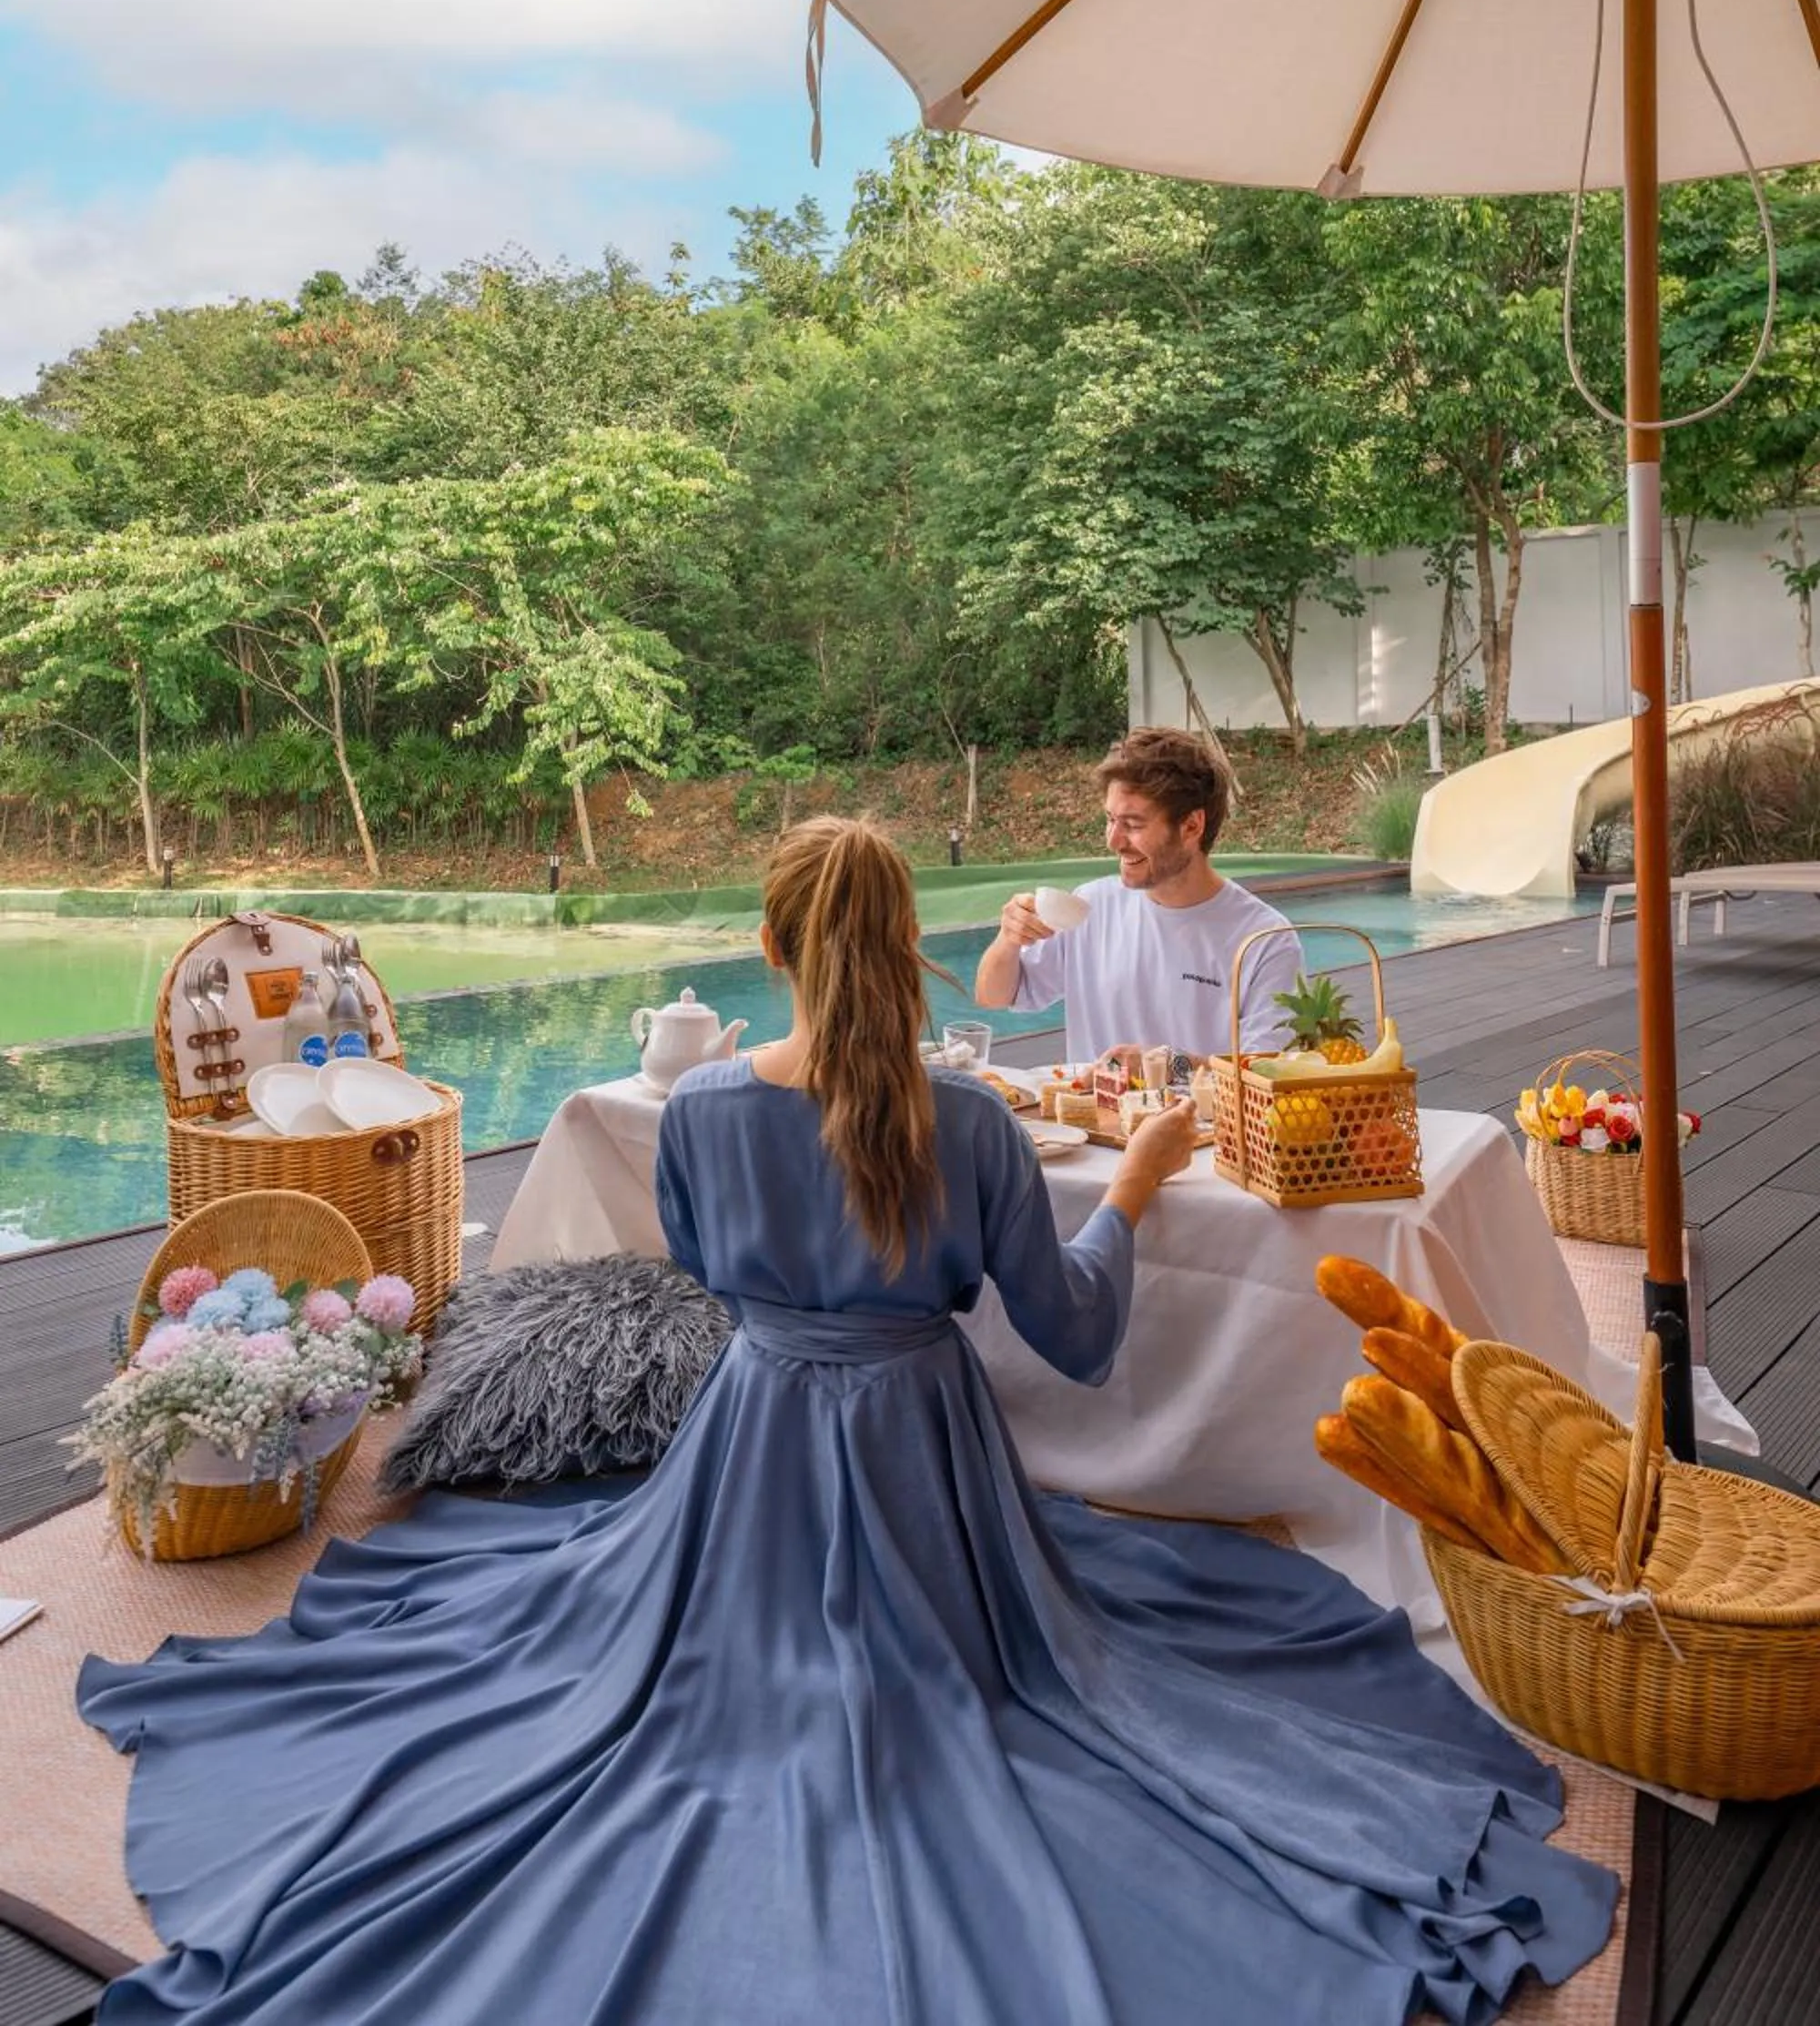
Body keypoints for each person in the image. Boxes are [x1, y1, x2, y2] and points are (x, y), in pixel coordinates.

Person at [78, 817, 1614, 2026]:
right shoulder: (967, 1126)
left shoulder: (699, 1116)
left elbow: (701, 1265)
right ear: (910, 946)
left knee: (584, 1673)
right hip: (924, 1462)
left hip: (746, 1453)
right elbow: (1075, 1342)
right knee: (1099, 1701)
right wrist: (1137, 1187)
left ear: (772, 945)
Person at [976, 724, 1306, 1063]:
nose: (1113, 841)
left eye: (1132, 825)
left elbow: (1267, 1074)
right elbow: (995, 995)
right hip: (1086, 1116)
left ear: (1192, 826)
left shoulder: (1265, 939)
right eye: (1110, 820)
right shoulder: (1091, 906)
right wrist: (1008, 939)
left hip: (1202, 1118)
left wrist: (1165, 1066)